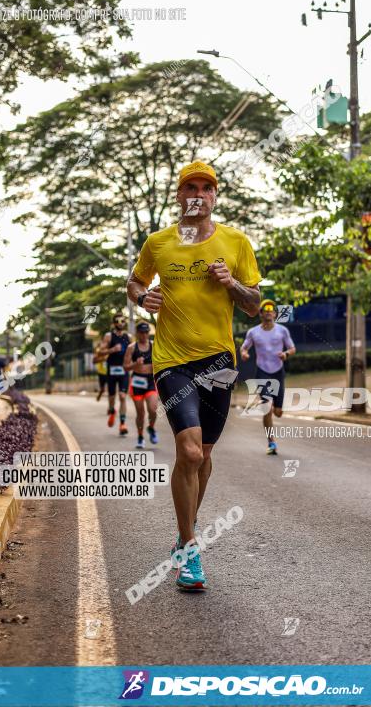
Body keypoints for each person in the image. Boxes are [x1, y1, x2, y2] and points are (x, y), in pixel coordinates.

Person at [127, 160, 262, 590]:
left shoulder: (236, 243)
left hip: (219, 362)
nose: (198, 194)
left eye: (206, 188)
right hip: (172, 360)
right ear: (179, 196)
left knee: (202, 455)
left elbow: (255, 304)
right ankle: (189, 548)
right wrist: (142, 296)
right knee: (188, 453)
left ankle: (186, 525)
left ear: (214, 196)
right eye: (191, 188)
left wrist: (231, 284)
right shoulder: (158, 243)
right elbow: (133, 282)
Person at [240, 300, 296, 454]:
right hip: (262, 372)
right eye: (266, 309)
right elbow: (244, 347)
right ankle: (271, 442)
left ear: (275, 314)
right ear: (261, 313)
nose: (269, 312)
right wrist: (244, 353)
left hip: (278, 372)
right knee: (267, 407)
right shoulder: (253, 332)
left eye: (272, 310)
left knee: (278, 411)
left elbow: (292, 348)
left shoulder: (282, 331)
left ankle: (276, 410)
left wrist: (285, 354)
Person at [124, 322, 159, 449]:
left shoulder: (154, 345)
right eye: (142, 332)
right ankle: (140, 436)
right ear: (137, 333)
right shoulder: (132, 348)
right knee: (140, 413)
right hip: (137, 383)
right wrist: (135, 365)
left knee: (153, 409)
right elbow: (125, 367)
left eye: (146, 332)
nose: (144, 335)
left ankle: (151, 427)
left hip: (150, 381)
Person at [99, 314, 130, 435]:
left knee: (122, 396)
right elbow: (100, 352)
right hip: (111, 370)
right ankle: (112, 411)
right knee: (111, 397)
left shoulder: (128, 336)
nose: (120, 323)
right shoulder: (108, 336)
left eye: (123, 321)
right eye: (118, 321)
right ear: (114, 323)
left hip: (124, 371)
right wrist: (112, 350)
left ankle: (122, 424)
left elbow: (134, 351)